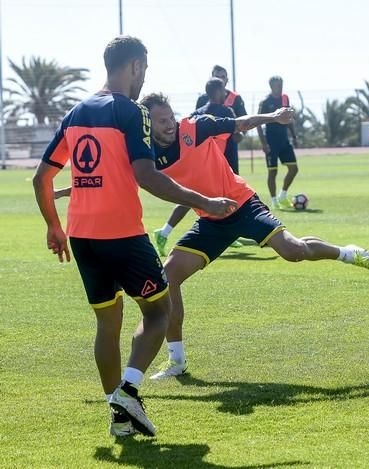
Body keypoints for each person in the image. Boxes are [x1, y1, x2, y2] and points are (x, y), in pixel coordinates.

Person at [34, 36, 235, 437]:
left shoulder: (75, 113)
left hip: (82, 237)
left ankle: (119, 420)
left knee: (107, 325)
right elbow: (147, 176)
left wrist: (54, 226)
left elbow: (43, 177)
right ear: (137, 66)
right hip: (123, 234)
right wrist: (206, 202)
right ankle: (128, 390)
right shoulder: (132, 111)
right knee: (158, 313)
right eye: (145, 71)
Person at [138, 93, 369, 379]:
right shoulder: (144, 152)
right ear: (148, 124)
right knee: (169, 276)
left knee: (293, 251)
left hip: (242, 204)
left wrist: (273, 117)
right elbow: (119, 173)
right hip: (210, 220)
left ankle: (349, 253)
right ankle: (177, 361)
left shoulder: (194, 128)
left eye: (170, 116)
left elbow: (240, 123)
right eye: (161, 121)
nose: (169, 124)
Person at [152, 77, 243, 256]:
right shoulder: (226, 110)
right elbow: (237, 135)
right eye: (223, 90)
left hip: (200, 160)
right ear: (218, 92)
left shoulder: (198, 112)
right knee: (215, 195)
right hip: (218, 160)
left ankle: (165, 232)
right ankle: (232, 229)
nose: (225, 94)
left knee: (193, 197)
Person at [257, 76, 299, 210]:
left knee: (294, 169)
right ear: (271, 86)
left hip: (284, 140)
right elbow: (257, 123)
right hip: (271, 141)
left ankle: (282, 195)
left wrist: (294, 136)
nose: (280, 88)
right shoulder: (265, 102)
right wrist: (264, 143)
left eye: (281, 85)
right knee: (272, 172)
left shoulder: (285, 98)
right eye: (277, 85)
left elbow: (289, 119)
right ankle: (274, 201)